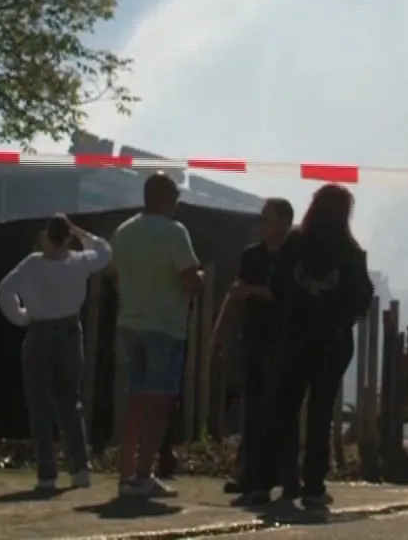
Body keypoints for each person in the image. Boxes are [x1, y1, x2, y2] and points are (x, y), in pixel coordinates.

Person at [268, 184, 374, 510]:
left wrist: (292, 314)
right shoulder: (350, 251)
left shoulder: (294, 244)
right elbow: (363, 297)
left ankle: (288, 479)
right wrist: (341, 320)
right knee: (321, 411)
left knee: (287, 408)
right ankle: (314, 484)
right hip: (332, 342)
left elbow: (276, 285)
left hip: (296, 339)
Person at [0, 213, 112, 493]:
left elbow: (4, 290)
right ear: (68, 238)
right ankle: (79, 469)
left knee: (39, 404)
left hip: (39, 330)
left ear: (46, 237)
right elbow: (105, 252)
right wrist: (82, 233)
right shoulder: (79, 261)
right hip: (69, 330)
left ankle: (47, 473)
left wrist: (21, 316)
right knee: (70, 401)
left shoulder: (33, 264)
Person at [111, 172, 204, 501]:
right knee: (159, 403)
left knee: (135, 402)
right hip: (164, 326)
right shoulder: (174, 232)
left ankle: (125, 474)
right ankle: (144, 475)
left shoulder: (124, 231)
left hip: (130, 324)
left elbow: (116, 274)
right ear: (165, 199)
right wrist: (201, 277)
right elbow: (190, 280)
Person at [214, 197, 297, 504]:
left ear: (285, 223)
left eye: (268, 219)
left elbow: (284, 295)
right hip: (254, 339)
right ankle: (251, 476)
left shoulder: (293, 257)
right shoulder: (252, 255)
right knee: (253, 409)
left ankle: (280, 477)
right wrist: (220, 331)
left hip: (284, 342)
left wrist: (252, 291)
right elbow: (235, 294)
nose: (262, 224)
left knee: (277, 411)